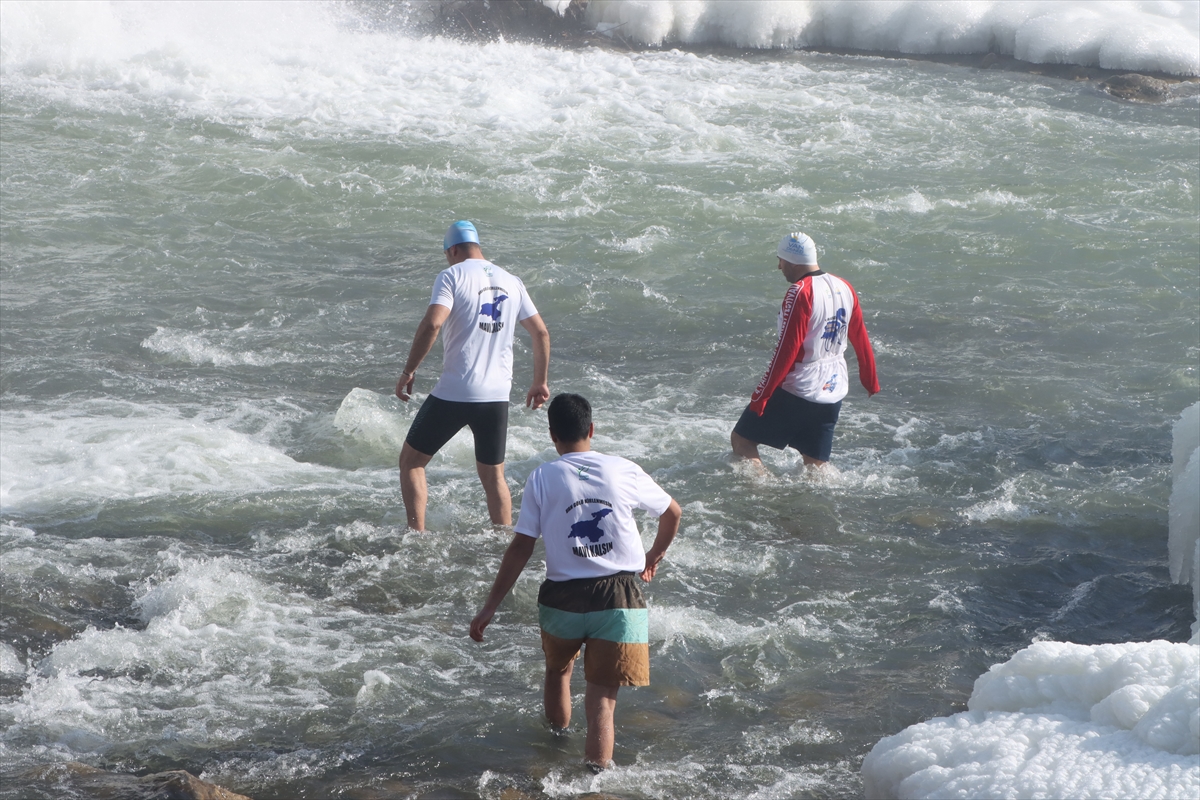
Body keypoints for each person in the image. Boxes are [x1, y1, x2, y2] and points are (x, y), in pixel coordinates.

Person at [470, 393, 682, 770]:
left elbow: (521, 547)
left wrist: (490, 606)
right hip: (619, 596)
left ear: (552, 436)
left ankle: (553, 750)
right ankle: (594, 782)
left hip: (561, 596)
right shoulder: (623, 469)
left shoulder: (542, 476)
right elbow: (672, 512)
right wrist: (654, 555)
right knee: (602, 700)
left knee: (558, 672)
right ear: (592, 429)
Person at [396, 220, 550, 531]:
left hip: (455, 392)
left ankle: (417, 538)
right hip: (496, 397)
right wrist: (539, 382)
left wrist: (409, 370)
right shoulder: (512, 281)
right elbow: (541, 333)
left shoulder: (451, 276)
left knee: (411, 462)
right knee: (493, 477)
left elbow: (433, 324)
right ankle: (503, 541)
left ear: (452, 250)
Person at [731, 231, 879, 468]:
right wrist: (870, 380)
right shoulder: (845, 287)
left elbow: (786, 351)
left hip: (799, 387)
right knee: (815, 464)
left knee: (742, 440)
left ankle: (763, 496)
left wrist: (762, 395)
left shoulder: (800, 292)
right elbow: (860, 337)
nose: (779, 267)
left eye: (780, 260)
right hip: (833, 389)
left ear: (791, 261)